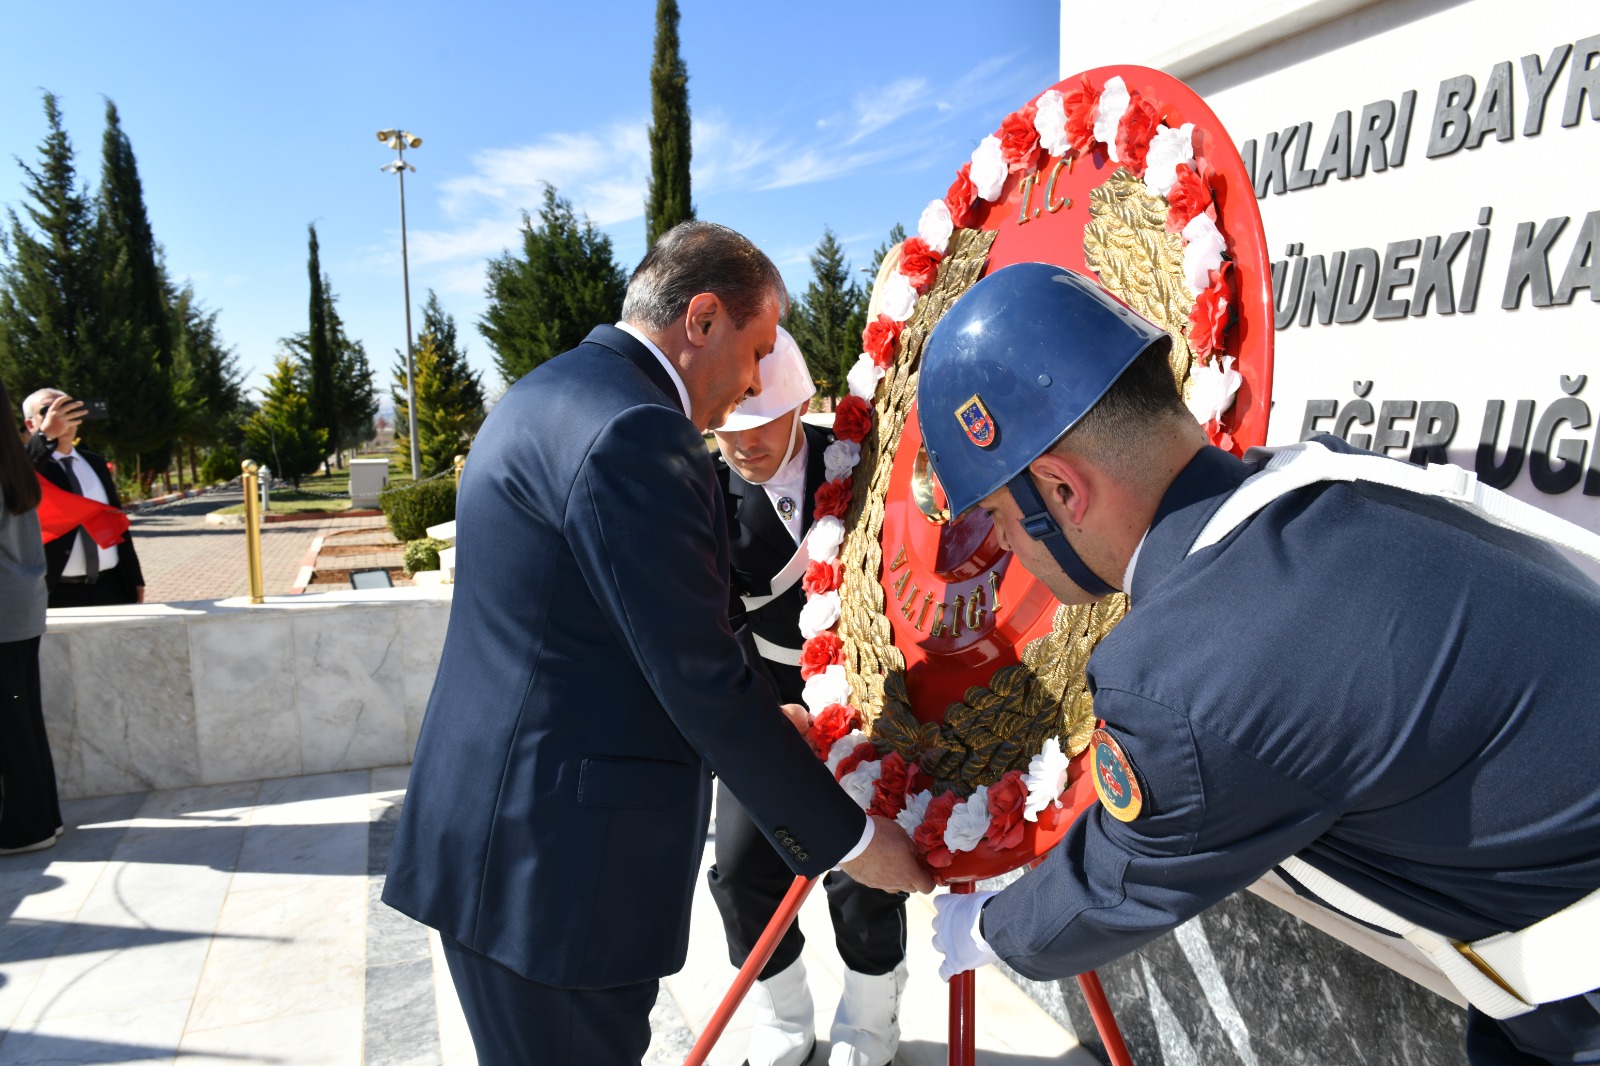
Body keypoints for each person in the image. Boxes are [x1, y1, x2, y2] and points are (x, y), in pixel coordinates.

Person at [919, 263, 1600, 1065]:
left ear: (1061, 491)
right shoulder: (1318, 481)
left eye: (997, 516)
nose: (1001, 547)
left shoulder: (1189, 676)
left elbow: (1117, 883)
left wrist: (989, 930)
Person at [383, 221, 933, 1066]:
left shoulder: (547, 393)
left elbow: (600, 640)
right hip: (559, 879)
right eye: (754, 351)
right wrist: (857, 842)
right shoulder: (637, 433)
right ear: (702, 319)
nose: (754, 382)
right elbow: (701, 679)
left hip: (498, 847)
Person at [708, 327, 909, 1066]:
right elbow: (715, 617)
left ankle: (871, 1014)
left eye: (759, 419)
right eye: (727, 427)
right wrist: (762, 708)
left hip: (866, 688)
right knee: (740, 869)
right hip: (765, 697)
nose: (743, 443)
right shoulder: (708, 494)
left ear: (798, 404)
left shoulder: (858, 460)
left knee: (863, 868)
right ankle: (785, 1014)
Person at [0, 375, 63, 855]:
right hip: (20, 606)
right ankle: (46, 818)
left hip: (5, 610)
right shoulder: (13, 462)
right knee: (23, 718)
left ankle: (28, 827)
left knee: (12, 723)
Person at [22, 389, 144, 607]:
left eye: (67, 408)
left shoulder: (94, 463)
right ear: (31, 425)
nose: (60, 416)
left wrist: (134, 577)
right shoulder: (27, 466)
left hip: (110, 586)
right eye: (48, 411)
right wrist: (46, 436)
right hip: (54, 593)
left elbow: (116, 522)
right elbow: (17, 478)